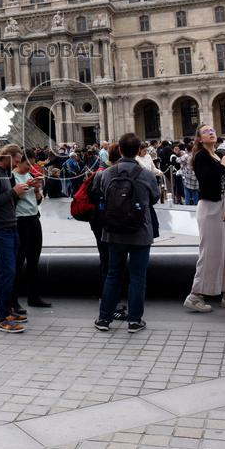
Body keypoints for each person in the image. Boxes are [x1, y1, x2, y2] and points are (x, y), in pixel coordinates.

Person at [95, 133, 161, 334]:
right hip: (140, 231)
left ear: (120, 150)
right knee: (138, 276)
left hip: (114, 232)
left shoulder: (106, 174)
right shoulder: (147, 175)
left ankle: (104, 319)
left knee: (113, 274)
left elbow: (101, 194)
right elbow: (155, 199)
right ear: (139, 150)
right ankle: (134, 321)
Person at [183, 125, 225, 313]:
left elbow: (224, 181)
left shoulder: (216, 156)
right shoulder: (201, 156)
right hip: (210, 207)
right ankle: (195, 295)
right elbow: (207, 178)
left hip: (223, 204)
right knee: (210, 252)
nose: (211, 132)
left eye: (212, 130)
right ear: (200, 139)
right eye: (206, 132)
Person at [0, 144, 30, 333]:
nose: (17, 165)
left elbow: (10, 200)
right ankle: (3, 318)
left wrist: (23, 190)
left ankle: (8, 311)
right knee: (7, 272)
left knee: (12, 272)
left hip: (11, 227)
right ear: (8, 157)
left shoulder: (5, 173)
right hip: (1, 230)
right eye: (16, 161)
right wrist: (13, 192)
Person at [14, 151, 50, 308]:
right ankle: (14, 299)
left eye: (32, 164)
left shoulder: (29, 175)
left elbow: (38, 200)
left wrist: (36, 189)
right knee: (19, 260)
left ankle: (33, 296)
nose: (29, 167)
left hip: (34, 218)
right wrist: (28, 185)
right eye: (27, 164)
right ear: (18, 162)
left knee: (34, 260)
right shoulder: (12, 177)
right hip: (20, 220)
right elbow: (14, 197)